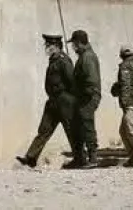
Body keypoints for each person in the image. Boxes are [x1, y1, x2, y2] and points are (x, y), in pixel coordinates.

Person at [16, 34, 76, 168]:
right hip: (53, 101)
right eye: (47, 45)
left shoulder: (63, 60)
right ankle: (31, 157)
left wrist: (69, 99)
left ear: (56, 47)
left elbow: (71, 81)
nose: (47, 48)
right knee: (44, 129)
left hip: (63, 100)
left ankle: (80, 158)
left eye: (49, 46)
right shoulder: (54, 59)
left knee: (71, 130)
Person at [66, 29, 101, 169]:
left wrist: (83, 94)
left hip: (88, 97)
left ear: (80, 43)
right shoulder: (84, 56)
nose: (73, 47)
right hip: (83, 97)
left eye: (74, 43)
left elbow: (91, 80)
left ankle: (93, 158)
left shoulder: (87, 57)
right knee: (78, 126)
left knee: (87, 125)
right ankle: (80, 158)